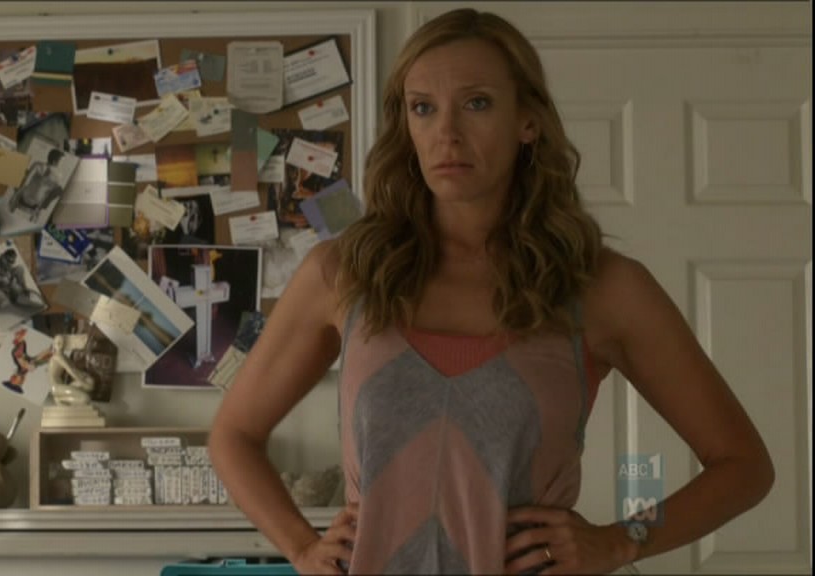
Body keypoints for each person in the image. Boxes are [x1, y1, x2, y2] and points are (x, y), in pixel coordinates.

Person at [208, 8, 774, 576]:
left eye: (477, 103)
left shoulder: (602, 287)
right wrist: (301, 548)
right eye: (423, 107)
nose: (447, 133)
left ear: (527, 120)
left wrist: (623, 540)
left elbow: (743, 465)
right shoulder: (343, 274)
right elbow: (234, 435)